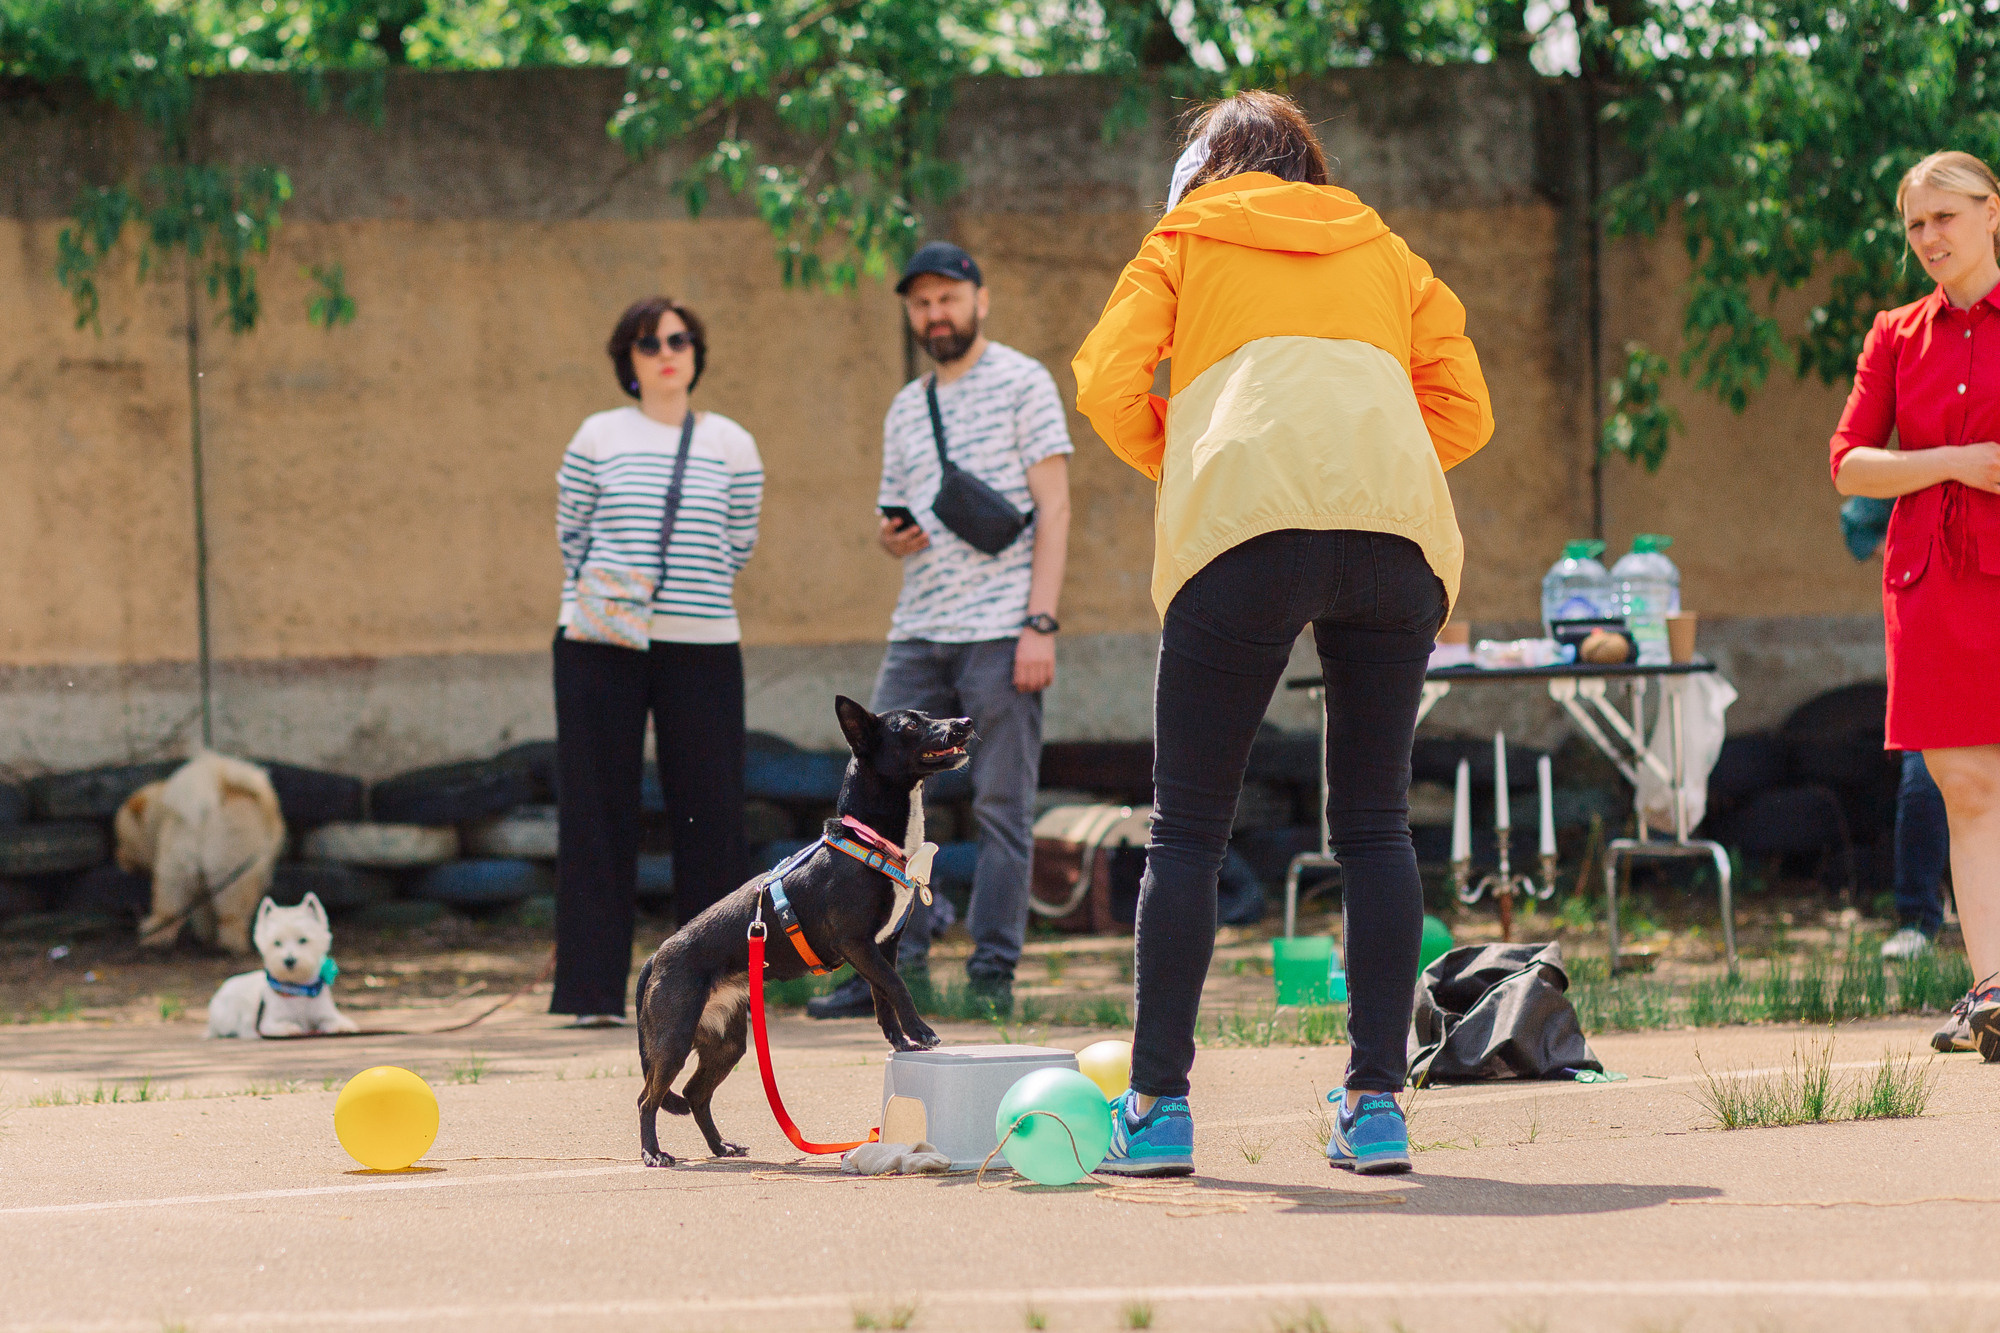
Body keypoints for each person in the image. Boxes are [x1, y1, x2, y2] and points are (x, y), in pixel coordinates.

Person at [1072, 91, 1492, 1176]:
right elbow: (1466, 406)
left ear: (1201, 170)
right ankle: (1376, 1105)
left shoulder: (1183, 237)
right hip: (1391, 529)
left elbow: (1104, 378)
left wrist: (1192, 454)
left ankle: (1157, 1109)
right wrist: (1368, 463)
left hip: (1243, 523)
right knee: (1373, 825)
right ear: (1308, 161)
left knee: (1186, 835)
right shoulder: (1383, 246)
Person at [807, 241, 1073, 1019]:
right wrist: (890, 538)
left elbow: (1054, 509)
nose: (936, 314)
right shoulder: (905, 406)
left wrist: (1040, 623)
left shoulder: (1025, 382)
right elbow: (895, 515)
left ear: (979, 300)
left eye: (948, 298)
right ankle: (879, 967)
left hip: (1002, 628)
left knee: (1000, 807)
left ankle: (992, 973)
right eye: (922, 303)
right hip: (918, 626)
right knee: (871, 808)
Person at [550, 296, 764, 1027]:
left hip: (701, 641)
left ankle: (716, 987)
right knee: (595, 809)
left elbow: (739, 540)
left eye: (679, 339)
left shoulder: (732, 442)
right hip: (599, 642)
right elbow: (571, 534)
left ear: (697, 351)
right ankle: (587, 995)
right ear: (629, 361)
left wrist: (682, 599)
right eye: (648, 343)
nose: (666, 351)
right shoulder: (597, 435)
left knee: (709, 811)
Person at [1831, 149, 2000, 1061]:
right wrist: (1956, 462)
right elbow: (1850, 461)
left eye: (1946, 216)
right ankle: (1994, 987)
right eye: (1916, 225)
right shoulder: (1896, 334)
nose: (1930, 237)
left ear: (1992, 212)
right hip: (1931, 583)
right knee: (1966, 788)